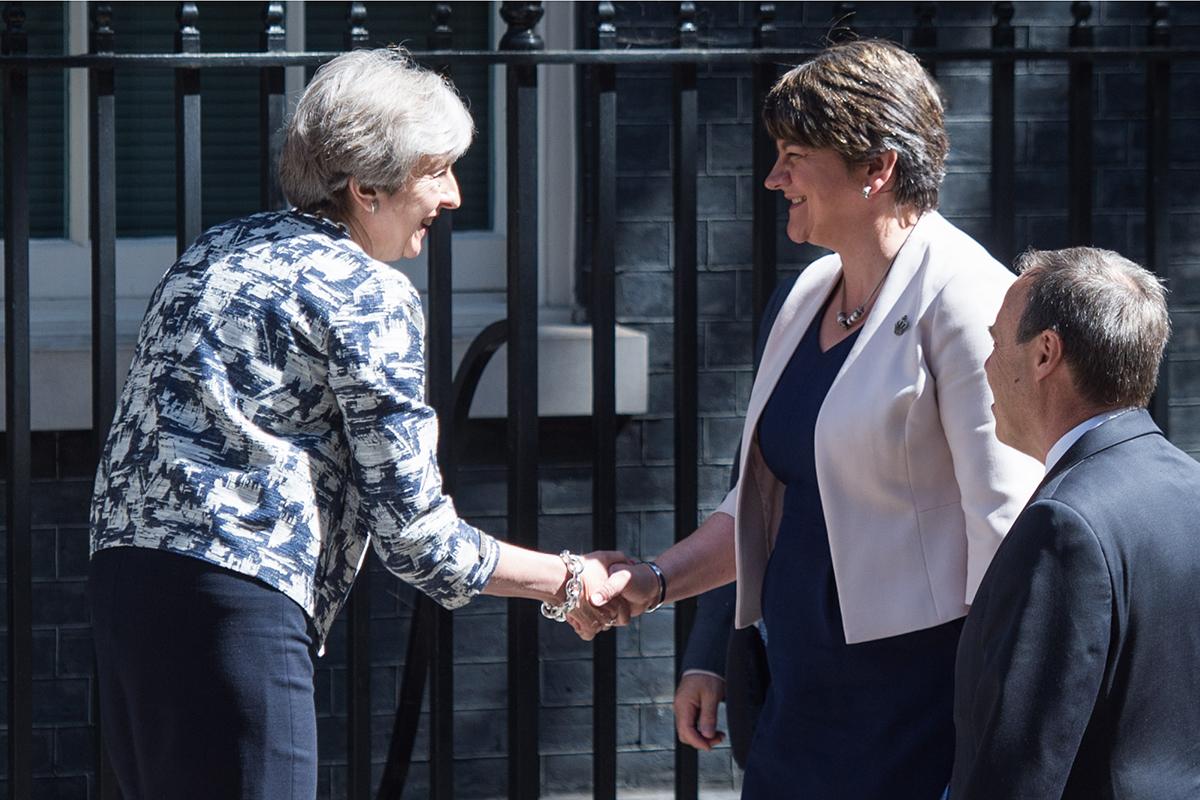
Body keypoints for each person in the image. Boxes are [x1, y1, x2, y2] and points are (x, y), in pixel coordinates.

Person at [88, 48, 624, 800]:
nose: (456, 195)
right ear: (366, 187)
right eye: (436, 171)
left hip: (125, 584)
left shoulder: (216, 250)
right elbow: (416, 536)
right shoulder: (368, 291)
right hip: (239, 600)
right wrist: (567, 579)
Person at [588, 40, 1042, 798]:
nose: (774, 177)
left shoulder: (968, 300)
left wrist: (1003, 737)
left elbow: (1007, 523)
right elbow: (760, 499)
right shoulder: (804, 298)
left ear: (877, 168)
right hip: (798, 692)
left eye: (795, 155)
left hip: (914, 704)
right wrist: (660, 582)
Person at [951, 248, 1200, 798]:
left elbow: (1021, 765)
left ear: (1045, 353)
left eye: (995, 343)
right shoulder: (1192, 489)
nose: (987, 365)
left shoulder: (1063, 525)